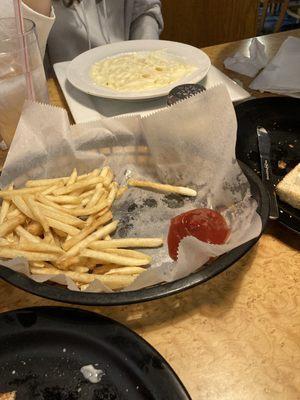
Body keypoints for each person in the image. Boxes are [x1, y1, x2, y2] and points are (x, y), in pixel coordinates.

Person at [1, 0, 163, 64]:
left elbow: (145, 11)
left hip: (132, 82)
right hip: (63, 98)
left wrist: (147, 60)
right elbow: (22, 63)